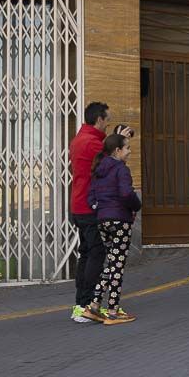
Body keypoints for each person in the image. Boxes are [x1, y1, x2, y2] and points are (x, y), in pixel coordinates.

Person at [79, 133, 140, 325]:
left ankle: (95, 306)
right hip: (120, 220)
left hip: (103, 221)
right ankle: (112, 311)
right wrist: (135, 206)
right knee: (117, 266)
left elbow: (91, 198)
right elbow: (126, 193)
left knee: (111, 263)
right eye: (127, 148)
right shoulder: (121, 169)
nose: (129, 151)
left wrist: (101, 208)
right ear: (117, 150)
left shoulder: (99, 170)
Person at [69, 102, 111, 323]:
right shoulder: (92, 143)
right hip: (89, 207)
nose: (108, 124)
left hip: (77, 205)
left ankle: (80, 304)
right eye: (107, 120)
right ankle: (86, 305)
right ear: (99, 119)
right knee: (96, 254)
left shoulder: (78, 139)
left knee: (86, 253)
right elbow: (112, 166)